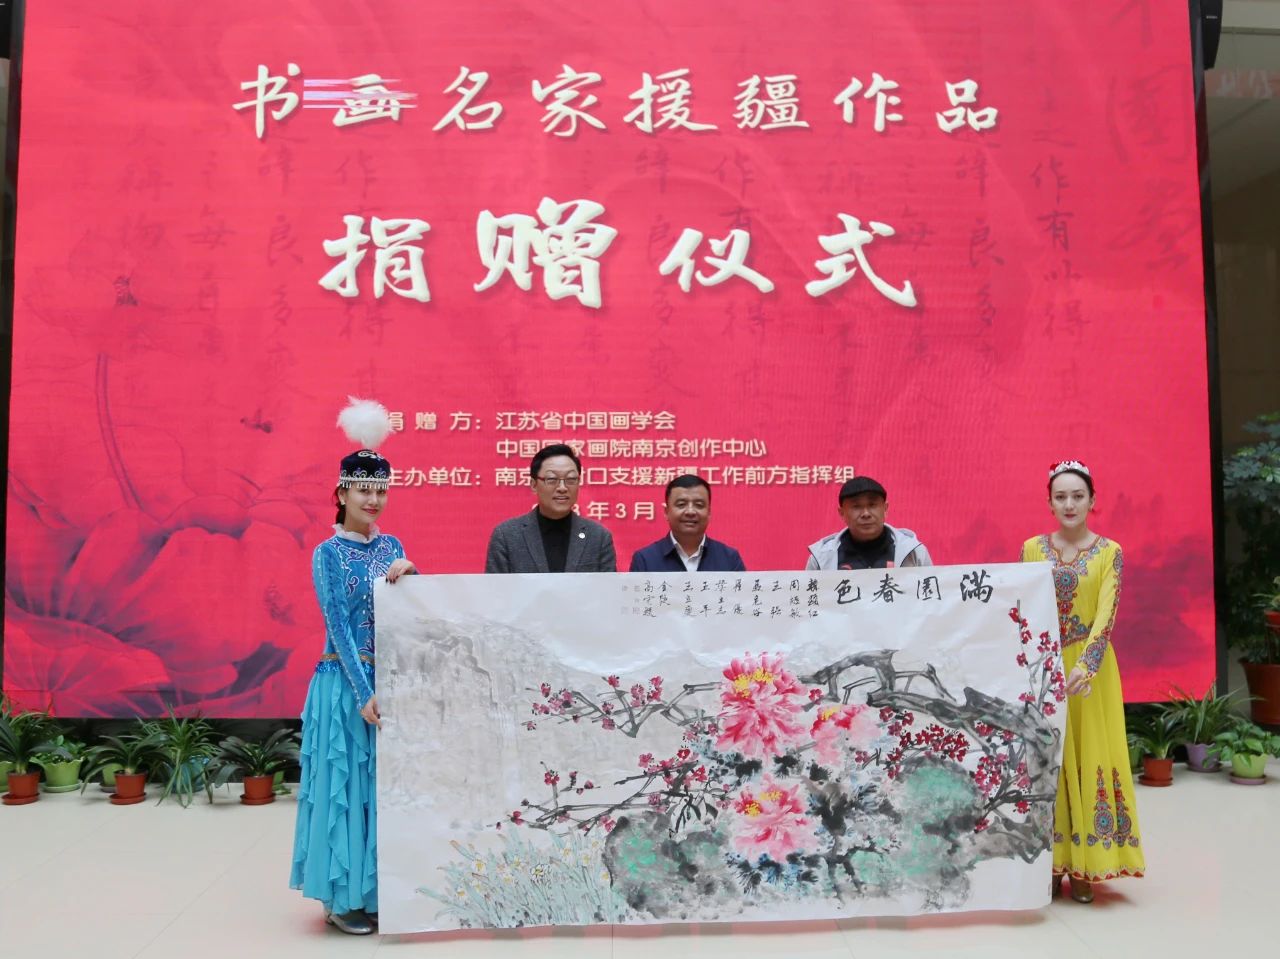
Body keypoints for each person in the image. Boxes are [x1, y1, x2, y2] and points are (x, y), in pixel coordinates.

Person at [291, 399, 416, 935]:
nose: (373, 500)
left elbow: (407, 616)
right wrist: (364, 691)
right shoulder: (327, 553)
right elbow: (338, 627)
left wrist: (412, 575)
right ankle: (339, 899)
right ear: (342, 493)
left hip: (388, 685)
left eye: (380, 490)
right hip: (344, 685)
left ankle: (375, 890)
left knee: (379, 791)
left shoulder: (392, 546)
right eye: (363, 490)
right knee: (344, 790)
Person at [1020, 460, 1145, 903]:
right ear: (1049, 503)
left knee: (1089, 755)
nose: (1069, 504)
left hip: (1090, 675)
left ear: (1093, 501)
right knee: (1049, 762)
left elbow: (1106, 615)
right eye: (1061, 497)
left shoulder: (1110, 552)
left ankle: (1088, 866)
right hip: (1046, 670)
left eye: (1077, 496)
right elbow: (1025, 612)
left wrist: (1086, 666)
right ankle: (1053, 863)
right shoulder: (1032, 549)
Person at [485, 443, 616, 572]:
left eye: (570, 480)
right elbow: (495, 586)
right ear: (534, 485)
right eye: (552, 479)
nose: (562, 488)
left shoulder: (598, 537)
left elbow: (608, 586)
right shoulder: (507, 536)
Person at [805, 476, 932, 570]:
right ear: (842, 513)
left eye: (872, 505)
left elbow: (931, 594)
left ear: (885, 509)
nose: (866, 513)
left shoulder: (913, 551)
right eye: (856, 506)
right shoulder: (821, 557)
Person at [629, 474, 746, 572]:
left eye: (699, 505)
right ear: (666, 512)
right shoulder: (645, 559)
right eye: (681, 504)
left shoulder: (729, 558)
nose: (690, 511)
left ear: (709, 512)